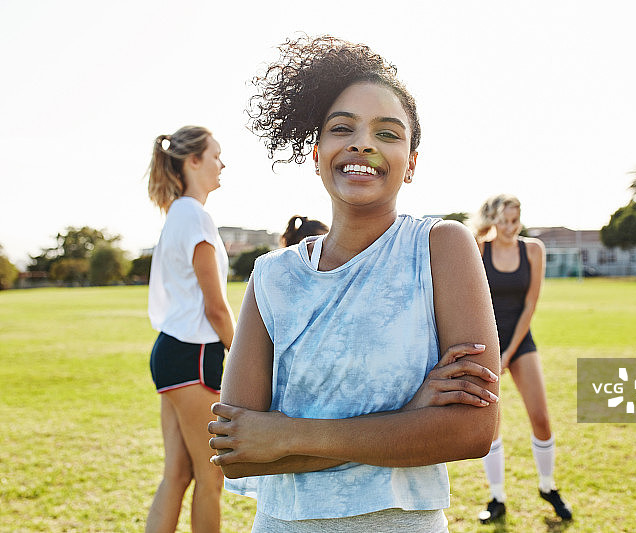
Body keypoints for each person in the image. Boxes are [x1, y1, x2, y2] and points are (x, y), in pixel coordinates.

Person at [207, 35, 500, 532]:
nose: (362, 143)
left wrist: (286, 435)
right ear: (317, 152)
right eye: (344, 128)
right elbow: (238, 453)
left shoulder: (441, 247)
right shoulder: (272, 275)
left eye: (388, 133)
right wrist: (407, 420)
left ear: (410, 163)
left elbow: (471, 431)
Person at [145, 125, 235, 533]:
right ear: (193, 161)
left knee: (177, 475)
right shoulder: (196, 217)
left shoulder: (177, 214)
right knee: (209, 476)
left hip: (172, 353)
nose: (222, 163)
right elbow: (216, 308)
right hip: (195, 356)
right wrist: (247, 355)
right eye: (216, 155)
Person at [472, 194, 573, 523]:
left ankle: (547, 486)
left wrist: (509, 354)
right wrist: (492, 353)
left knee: (541, 418)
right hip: (486, 343)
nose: (509, 228)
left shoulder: (533, 250)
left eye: (515, 221)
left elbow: (530, 305)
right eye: (503, 221)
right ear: (493, 220)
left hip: (520, 341)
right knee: (492, 425)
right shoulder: (479, 247)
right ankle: (497, 497)